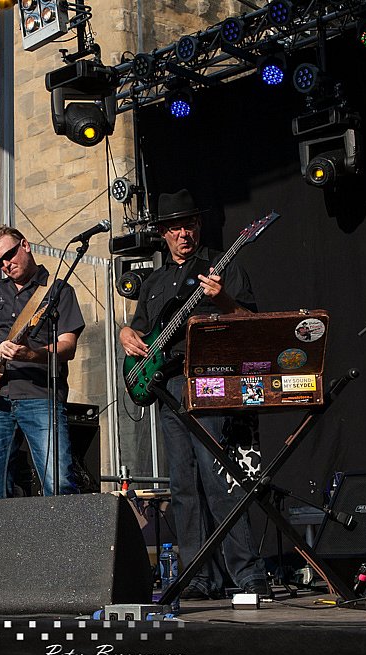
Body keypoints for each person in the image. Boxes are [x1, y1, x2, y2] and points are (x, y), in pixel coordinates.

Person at [119, 188, 270, 599]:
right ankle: (199, 577)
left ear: (198, 225)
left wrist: (224, 301)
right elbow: (140, 331)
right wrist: (126, 333)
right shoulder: (152, 282)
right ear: (163, 233)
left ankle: (248, 573)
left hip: (209, 379)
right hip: (168, 387)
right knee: (183, 487)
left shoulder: (221, 266)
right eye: (174, 228)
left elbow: (251, 324)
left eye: (189, 225)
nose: (183, 234)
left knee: (219, 479)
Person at [0, 226, 85, 499]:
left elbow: (68, 346)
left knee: (58, 482)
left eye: (9, 255)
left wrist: (30, 354)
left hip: (39, 396)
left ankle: (62, 528)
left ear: (25, 245)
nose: (6, 264)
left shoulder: (57, 291)